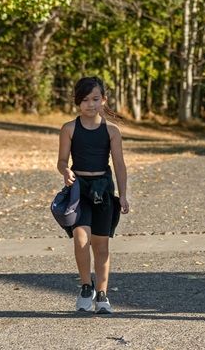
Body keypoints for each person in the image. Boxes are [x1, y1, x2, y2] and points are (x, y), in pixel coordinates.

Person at [56, 76, 130, 314]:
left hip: (103, 190)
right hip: (79, 190)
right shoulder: (69, 128)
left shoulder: (111, 131)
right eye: (85, 100)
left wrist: (124, 195)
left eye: (95, 99)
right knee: (80, 239)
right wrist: (65, 170)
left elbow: (119, 164)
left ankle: (102, 295)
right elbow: (61, 161)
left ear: (104, 100)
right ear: (78, 102)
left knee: (101, 245)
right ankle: (86, 287)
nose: (90, 104)